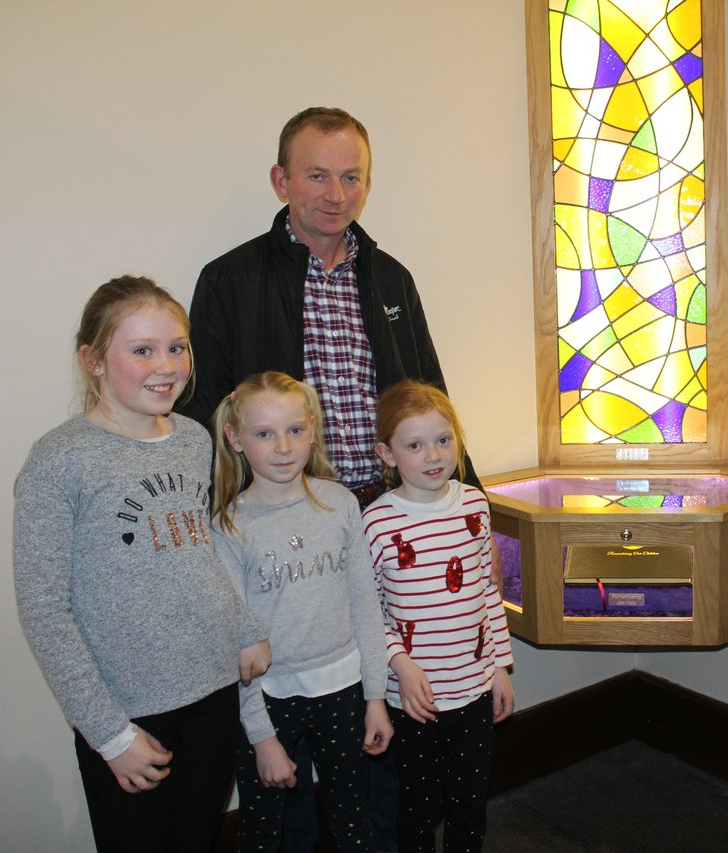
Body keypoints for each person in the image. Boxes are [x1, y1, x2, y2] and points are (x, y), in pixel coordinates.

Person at [182, 105, 477, 851]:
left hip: (386, 522)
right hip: (285, 533)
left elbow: (428, 393)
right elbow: (200, 422)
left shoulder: (393, 277)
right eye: (317, 175)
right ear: (281, 179)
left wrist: (469, 520)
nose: (335, 193)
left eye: (352, 177)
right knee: (283, 729)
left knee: (379, 710)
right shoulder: (229, 280)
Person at [13, 276, 272, 853]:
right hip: (129, 711)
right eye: (142, 350)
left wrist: (245, 628)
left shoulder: (189, 438)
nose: (167, 365)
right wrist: (110, 735)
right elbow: (44, 610)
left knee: (197, 837)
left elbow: (196, 550)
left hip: (213, 691)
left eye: (177, 347)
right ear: (94, 360)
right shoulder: (60, 461)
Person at [210, 372, 395, 852]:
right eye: (264, 433)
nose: (284, 446)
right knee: (268, 829)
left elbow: (364, 605)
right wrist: (260, 738)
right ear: (234, 438)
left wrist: (375, 698)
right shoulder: (228, 526)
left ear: (313, 428)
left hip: (343, 691)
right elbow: (236, 641)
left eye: (295, 429)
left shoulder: (338, 504)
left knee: (353, 819)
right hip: (268, 702)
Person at [363, 381, 515, 853]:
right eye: (415, 445)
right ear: (387, 454)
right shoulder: (376, 522)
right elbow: (367, 612)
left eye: (443, 440)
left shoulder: (473, 504)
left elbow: (486, 592)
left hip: (472, 687)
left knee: (469, 803)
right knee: (419, 806)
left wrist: (500, 667)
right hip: (414, 697)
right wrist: (400, 666)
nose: (433, 455)